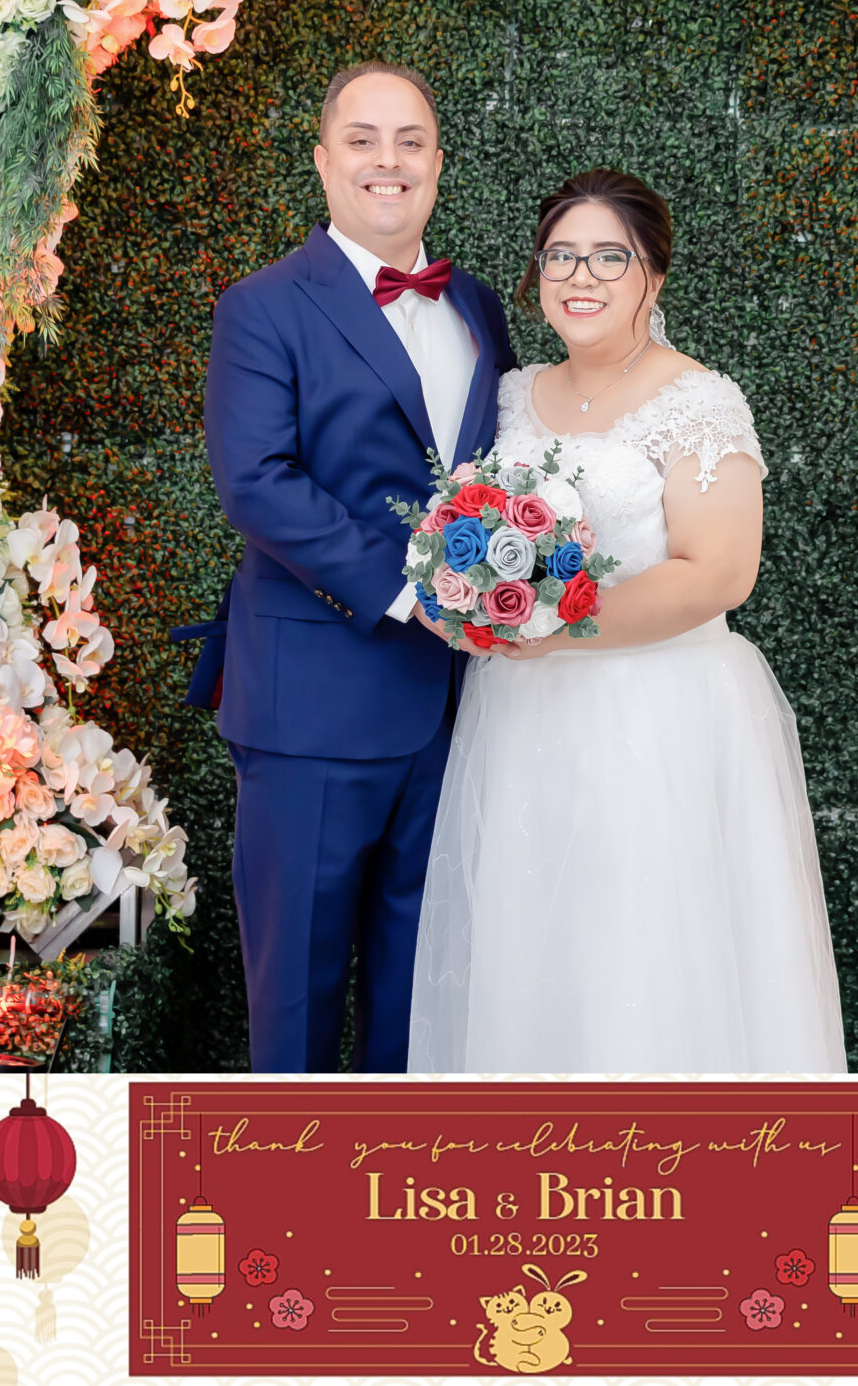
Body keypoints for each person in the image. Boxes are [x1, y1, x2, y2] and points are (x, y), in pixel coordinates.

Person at [406, 169, 847, 1072]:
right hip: (522, 722)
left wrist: (552, 623)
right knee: (532, 947)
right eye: (561, 256)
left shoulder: (699, 401)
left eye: (611, 256)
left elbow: (721, 571)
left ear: (654, 273)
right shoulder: (509, 395)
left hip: (658, 719)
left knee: (643, 947)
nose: (582, 276)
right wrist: (471, 597)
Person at [198, 61, 517, 1072]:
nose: (389, 161)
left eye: (410, 141)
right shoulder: (262, 306)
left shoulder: (478, 307)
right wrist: (409, 591)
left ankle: (397, 1169)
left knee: (419, 1002)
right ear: (324, 160)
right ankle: (289, 1176)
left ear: (438, 163)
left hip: (458, 708)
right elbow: (256, 482)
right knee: (295, 999)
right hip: (312, 707)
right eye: (364, 139)